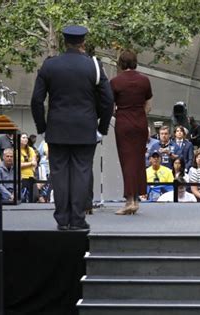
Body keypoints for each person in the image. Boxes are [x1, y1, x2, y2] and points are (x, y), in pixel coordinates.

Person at [31, 25, 114, 230]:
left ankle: (62, 218)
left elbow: (36, 100)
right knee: (81, 172)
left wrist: (42, 127)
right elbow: (107, 100)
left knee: (59, 173)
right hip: (85, 129)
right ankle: (77, 218)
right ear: (83, 43)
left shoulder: (50, 65)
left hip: (57, 129)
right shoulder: (93, 65)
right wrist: (102, 128)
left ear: (63, 42)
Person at [110, 50, 152, 215]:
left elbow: (111, 107)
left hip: (124, 123)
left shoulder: (115, 82)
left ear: (121, 63)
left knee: (127, 161)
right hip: (140, 123)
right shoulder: (145, 80)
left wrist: (120, 113)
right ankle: (136, 198)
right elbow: (148, 106)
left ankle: (129, 201)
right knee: (138, 160)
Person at [20, 133, 37, 203]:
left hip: (31, 176)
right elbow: (18, 165)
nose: (26, 139)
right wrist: (30, 163)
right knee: (22, 199)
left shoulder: (31, 149)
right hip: (21, 177)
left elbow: (34, 162)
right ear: (19, 139)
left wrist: (32, 165)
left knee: (32, 199)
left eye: (26, 138)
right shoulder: (16, 150)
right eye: (23, 137)